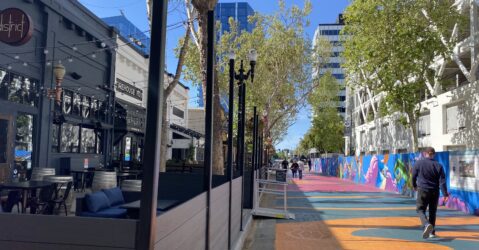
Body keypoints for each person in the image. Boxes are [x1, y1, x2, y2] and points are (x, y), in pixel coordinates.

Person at [412, 147, 449, 239]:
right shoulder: (438, 165)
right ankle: (432, 232)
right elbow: (442, 182)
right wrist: (445, 194)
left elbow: (413, 176)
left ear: (425, 153)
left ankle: (426, 224)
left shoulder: (418, 163)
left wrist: (414, 186)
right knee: (433, 211)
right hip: (434, 191)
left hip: (423, 190)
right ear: (434, 154)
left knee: (420, 209)